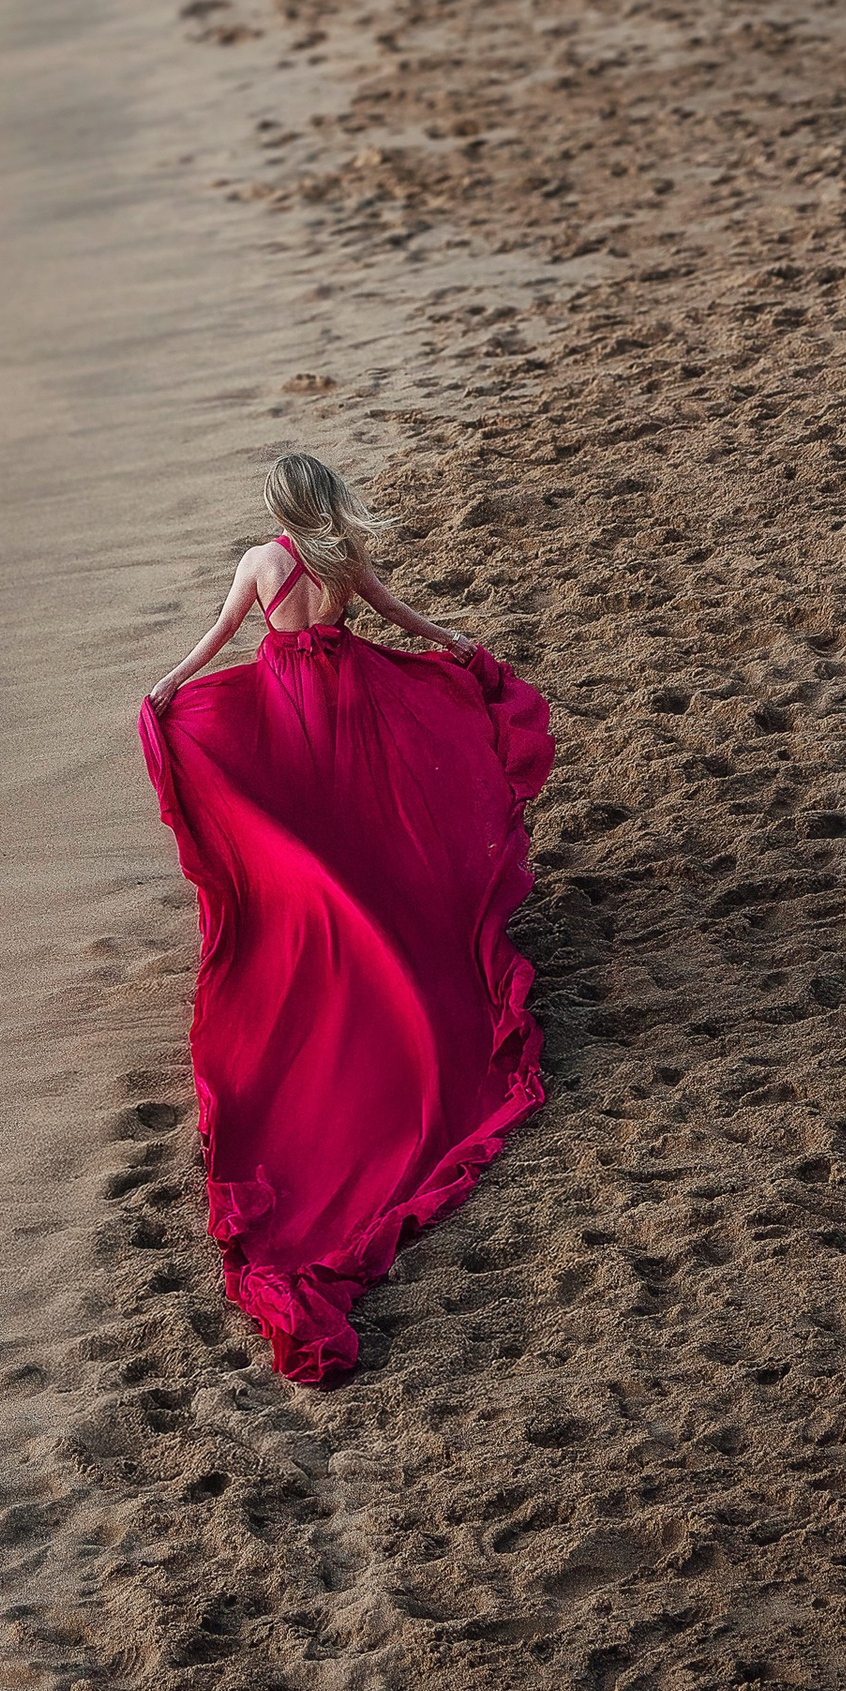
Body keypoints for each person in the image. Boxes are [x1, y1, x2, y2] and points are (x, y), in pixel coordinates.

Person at [138, 451, 553, 1386]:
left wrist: (167, 689)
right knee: (365, 829)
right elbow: (405, 622)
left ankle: (341, 934)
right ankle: (386, 927)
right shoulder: (344, 559)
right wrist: (463, 653)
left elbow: (220, 638)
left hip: (289, 706)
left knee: (307, 839)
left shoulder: (263, 562)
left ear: (276, 505)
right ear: (323, 501)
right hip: (353, 701)